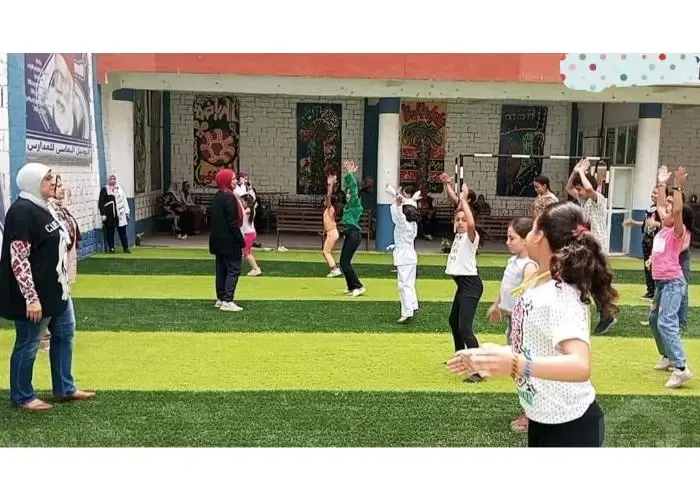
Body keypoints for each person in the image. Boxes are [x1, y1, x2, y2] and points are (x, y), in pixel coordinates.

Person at [447, 201, 618, 447]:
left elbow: (581, 365)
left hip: (571, 423)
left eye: (533, 227)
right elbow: (536, 347)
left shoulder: (561, 295)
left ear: (539, 237)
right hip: (543, 416)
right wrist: (493, 355)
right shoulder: (539, 284)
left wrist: (516, 364)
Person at [0, 162, 95, 411]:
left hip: (57, 290)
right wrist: (31, 298)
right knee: (29, 343)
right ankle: (22, 396)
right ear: (33, 183)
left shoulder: (46, 206)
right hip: (35, 296)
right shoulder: (22, 212)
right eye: (47, 179)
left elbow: (66, 236)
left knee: (65, 334)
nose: (53, 182)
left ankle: (65, 387)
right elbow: (19, 259)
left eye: (53, 177)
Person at [487, 217, 538, 431]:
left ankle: (531, 413)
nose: (507, 242)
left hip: (523, 325)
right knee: (516, 368)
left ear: (526, 240)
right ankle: (530, 408)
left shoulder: (529, 265)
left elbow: (529, 294)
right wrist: (497, 304)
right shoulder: (512, 261)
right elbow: (506, 286)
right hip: (513, 322)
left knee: (523, 368)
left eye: (512, 238)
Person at [648, 166, 693, 388]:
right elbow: (660, 205)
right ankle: (667, 355)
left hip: (673, 282)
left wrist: (677, 186)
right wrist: (661, 183)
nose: (664, 211)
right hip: (661, 283)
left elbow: (676, 210)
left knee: (666, 322)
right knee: (654, 320)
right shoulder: (663, 230)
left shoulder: (677, 231)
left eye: (669, 209)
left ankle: (681, 367)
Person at [566, 159, 615, 334]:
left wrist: (581, 173)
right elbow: (568, 188)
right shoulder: (584, 202)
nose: (578, 192)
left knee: (596, 283)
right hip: (587, 248)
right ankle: (604, 313)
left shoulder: (598, 200)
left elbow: (588, 190)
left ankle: (606, 314)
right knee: (590, 282)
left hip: (597, 248)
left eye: (580, 189)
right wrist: (575, 171)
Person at [443, 178, 484, 383]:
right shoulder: (458, 236)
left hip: (471, 285)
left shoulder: (470, 238)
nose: (460, 222)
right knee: (454, 322)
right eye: (457, 219)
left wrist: (465, 200)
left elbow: (470, 220)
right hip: (462, 286)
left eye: (463, 219)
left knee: (465, 328)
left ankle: (478, 370)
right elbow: (456, 204)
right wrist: (448, 186)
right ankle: (461, 358)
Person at [40, 176, 81, 351]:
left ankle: (51, 334)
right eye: (58, 186)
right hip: (54, 266)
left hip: (65, 261)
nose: (62, 188)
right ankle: (43, 336)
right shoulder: (46, 210)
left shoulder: (61, 209)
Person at [209, 168, 245, 312]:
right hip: (229, 241)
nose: (236, 181)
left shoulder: (218, 196)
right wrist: (240, 240)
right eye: (233, 179)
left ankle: (221, 298)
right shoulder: (229, 197)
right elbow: (232, 222)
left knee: (221, 270)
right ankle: (228, 300)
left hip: (218, 241)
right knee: (233, 269)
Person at [388, 186, 421, 323]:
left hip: (404, 257)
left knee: (404, 285)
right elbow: (409, 209)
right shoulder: (413, 225)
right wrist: (411, 200)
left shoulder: (404, 225)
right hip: (410, 256)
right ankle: (412, 305)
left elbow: (398, 216)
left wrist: (397, 203)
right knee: (409, 284)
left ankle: (407, 312)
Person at [624, 186, 662, 300]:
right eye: (653, 192)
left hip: (656, 241)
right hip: (647, 240)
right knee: (647, 266)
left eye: (656, 193)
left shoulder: (662, 210)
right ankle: (650, 290)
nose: (653, 195)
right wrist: (634, 223)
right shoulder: (651, 208)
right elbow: (647, 223)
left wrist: (655, 224)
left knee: (655, 266)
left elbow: (666, 226)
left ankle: (657, 291)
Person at [339, 160, 365, 297]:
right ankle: (351, 286)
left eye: (349, 193)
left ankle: (358, 286)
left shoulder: (355, 204)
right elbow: (350, 187)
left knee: (345, 263)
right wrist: (348, 176)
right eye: (347, 193)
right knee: (343, 262)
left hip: (354, 234)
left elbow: (354, 189)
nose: (347, 195)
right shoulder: (349, 205)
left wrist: (350, 173)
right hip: (350, 234)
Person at [98, 174, 130, 253]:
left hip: (120, 214)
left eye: (114, 179)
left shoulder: (119, 188)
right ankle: (111, 248)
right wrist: (103, 214)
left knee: (123, 232)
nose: (113, 180)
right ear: (108, 180)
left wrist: (127, 211)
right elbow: (101, 203)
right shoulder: (105, 190)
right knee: (110, 232)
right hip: (110, 216)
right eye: (111, 179)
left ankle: (125, 248)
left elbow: (124, 200)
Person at [322, 174, 341, 277]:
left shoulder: (330, 208)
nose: (324, 201)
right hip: (331, 232)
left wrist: (331, 184)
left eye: (325, 200)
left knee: (326, 251)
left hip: (332, 233)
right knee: (326, 251)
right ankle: (334, 268)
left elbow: (329, 196)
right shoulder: (328, 210)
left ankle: (334, 269)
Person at [240, 193, 262, 277]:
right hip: (250, 233)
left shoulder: (249, 210)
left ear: (246, 201)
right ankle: (255, 268)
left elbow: (243, 213)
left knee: (246, 253)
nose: (242, 203)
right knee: (247, 252)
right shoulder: (251, 209)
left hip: (249, 234)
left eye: (243, 201)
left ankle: (256, 269)